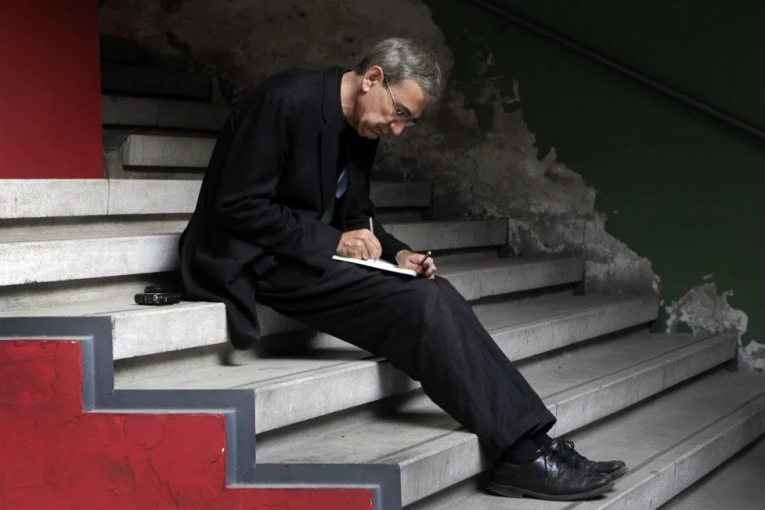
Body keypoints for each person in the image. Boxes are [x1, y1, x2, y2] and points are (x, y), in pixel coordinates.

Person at [179, 37, 626, 501]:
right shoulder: (284, 101)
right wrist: (334, 241)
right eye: (399, 113)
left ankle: (534, 441)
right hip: (251, 257)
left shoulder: (363, 125)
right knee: (419, 305)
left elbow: (357, 213)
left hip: (299, 248)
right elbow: (238, 206)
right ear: (372, 78)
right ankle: (517, 455)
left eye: (407, 121)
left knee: (435, 288)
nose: (397, 130)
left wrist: (397, 255)